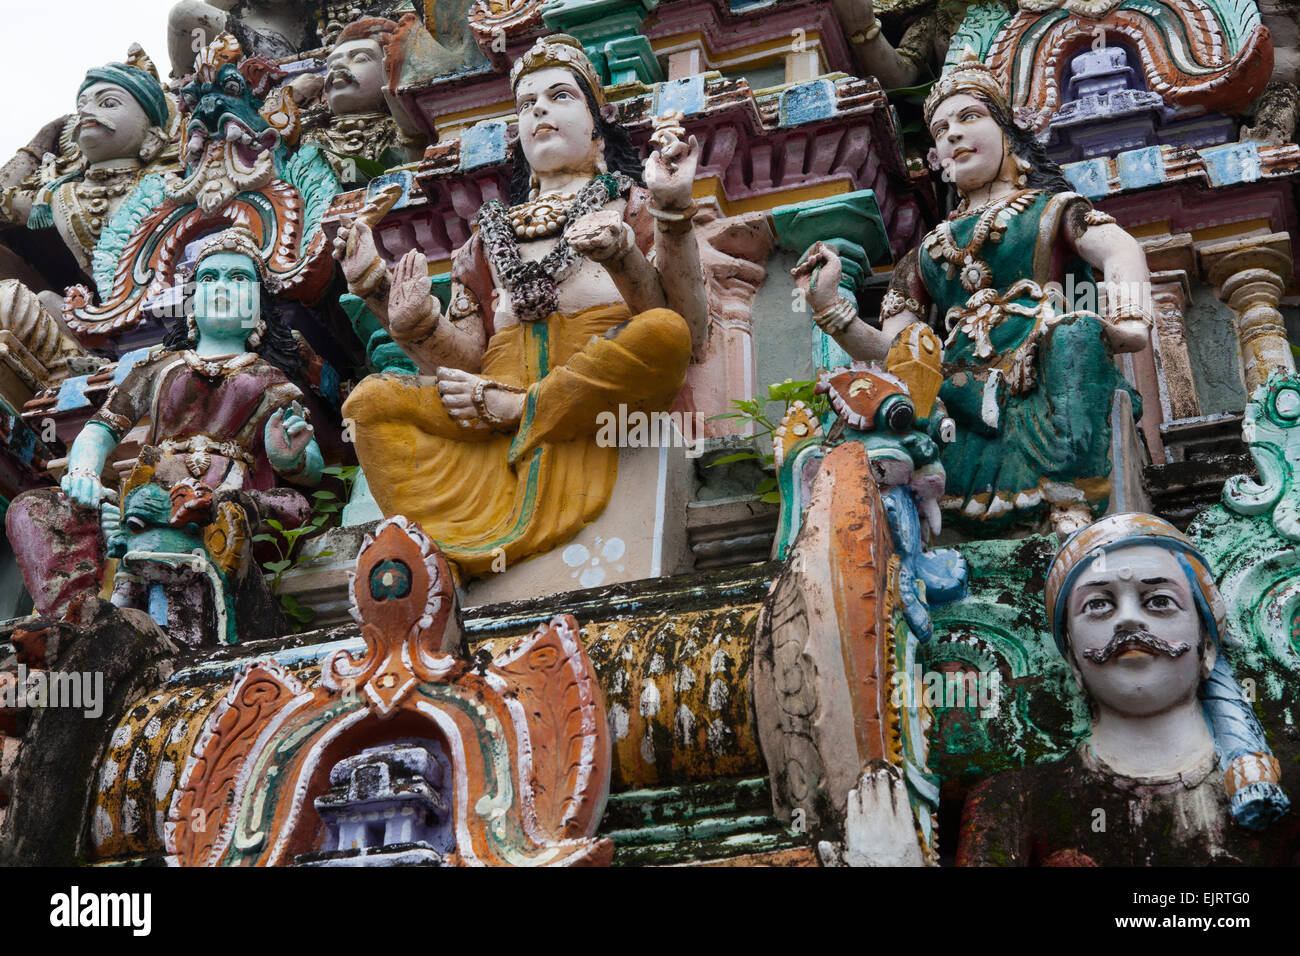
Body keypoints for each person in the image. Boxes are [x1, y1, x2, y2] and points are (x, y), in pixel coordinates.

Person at [333, 34, 704, 580]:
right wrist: (400, 312)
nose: (541, 112)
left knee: (663, 335)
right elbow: (464, 359)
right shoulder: (484, 241)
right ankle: (448, 547)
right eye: (527, 105)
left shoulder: (632, 202)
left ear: (597, 126)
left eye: (560, 97)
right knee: (369, 404)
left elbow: (687, 327)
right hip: (487, 400)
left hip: (592, 396)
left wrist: (658, 218)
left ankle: (528, 410)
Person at [793, 49, 1154, 536]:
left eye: (969, 117)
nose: (954, 134)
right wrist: (830, 307)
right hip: (958, 380)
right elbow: (897, 352)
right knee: (896, 397)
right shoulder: (925, 252)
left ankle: (1068, 498)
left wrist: (1128, 323)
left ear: (1008, 133)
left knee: (1077, 336)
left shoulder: (1053, 209)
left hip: (1037, 358)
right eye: (941, 131)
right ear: (937, 157)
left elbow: (1118, 248)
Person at [5, 227, 322, 621]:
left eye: (239, 279)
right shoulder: (158, 368)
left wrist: (289, 458)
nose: (222, 287)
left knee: (238, 509)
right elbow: (99, 430)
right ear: (191, 303)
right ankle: (78, 619)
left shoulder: (271, 378)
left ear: (259, 305)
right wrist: (84, 470)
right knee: (33, 507)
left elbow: (308, 465)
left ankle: (139, 585)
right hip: (145, 490)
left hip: (223, 498)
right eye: (209, 278)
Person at [957, 513, 1294, 866]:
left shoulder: (1283, 790)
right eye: (1099, 605)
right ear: (1073, 659)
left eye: (1159, 601)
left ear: (1206, 645)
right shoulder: (1015, 802)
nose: (1128, 619)